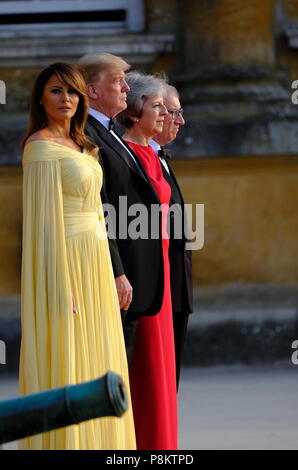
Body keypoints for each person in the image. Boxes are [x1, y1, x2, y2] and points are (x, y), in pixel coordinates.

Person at [19, 62, 136, 450]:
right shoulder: (39, 147)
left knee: (100, 353)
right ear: (41, 98)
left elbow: (100, 215)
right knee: (69, 354)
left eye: (71, 91)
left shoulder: (84, 144)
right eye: (55, 90)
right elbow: (42, 226)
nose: (65, 98)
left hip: (97, 262)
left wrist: (117, 273)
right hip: (65, 261)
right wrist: (57, 282)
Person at [77, 54, 165, 363]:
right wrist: (116, 271)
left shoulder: (110, 130)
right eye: (117, 81)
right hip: (118, 272)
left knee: (121, 368)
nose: (126, 88)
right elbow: (97, 208)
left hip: (133, 274)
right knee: (110, 368)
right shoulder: (86, 135)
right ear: (92, 90)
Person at [116, 71, 177, 450]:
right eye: (157, 106)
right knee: (147, 370)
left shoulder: (152, 154)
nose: (166, 114)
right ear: (135, 112)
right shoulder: (126, 154)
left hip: (164, 272)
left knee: (163, 369)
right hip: (141, 271)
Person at [150, 84, 193, 389]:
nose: (180, 120)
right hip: (158, 288)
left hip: (176, 285)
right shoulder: (142, 158)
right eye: (174, 112)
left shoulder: (161, 155)